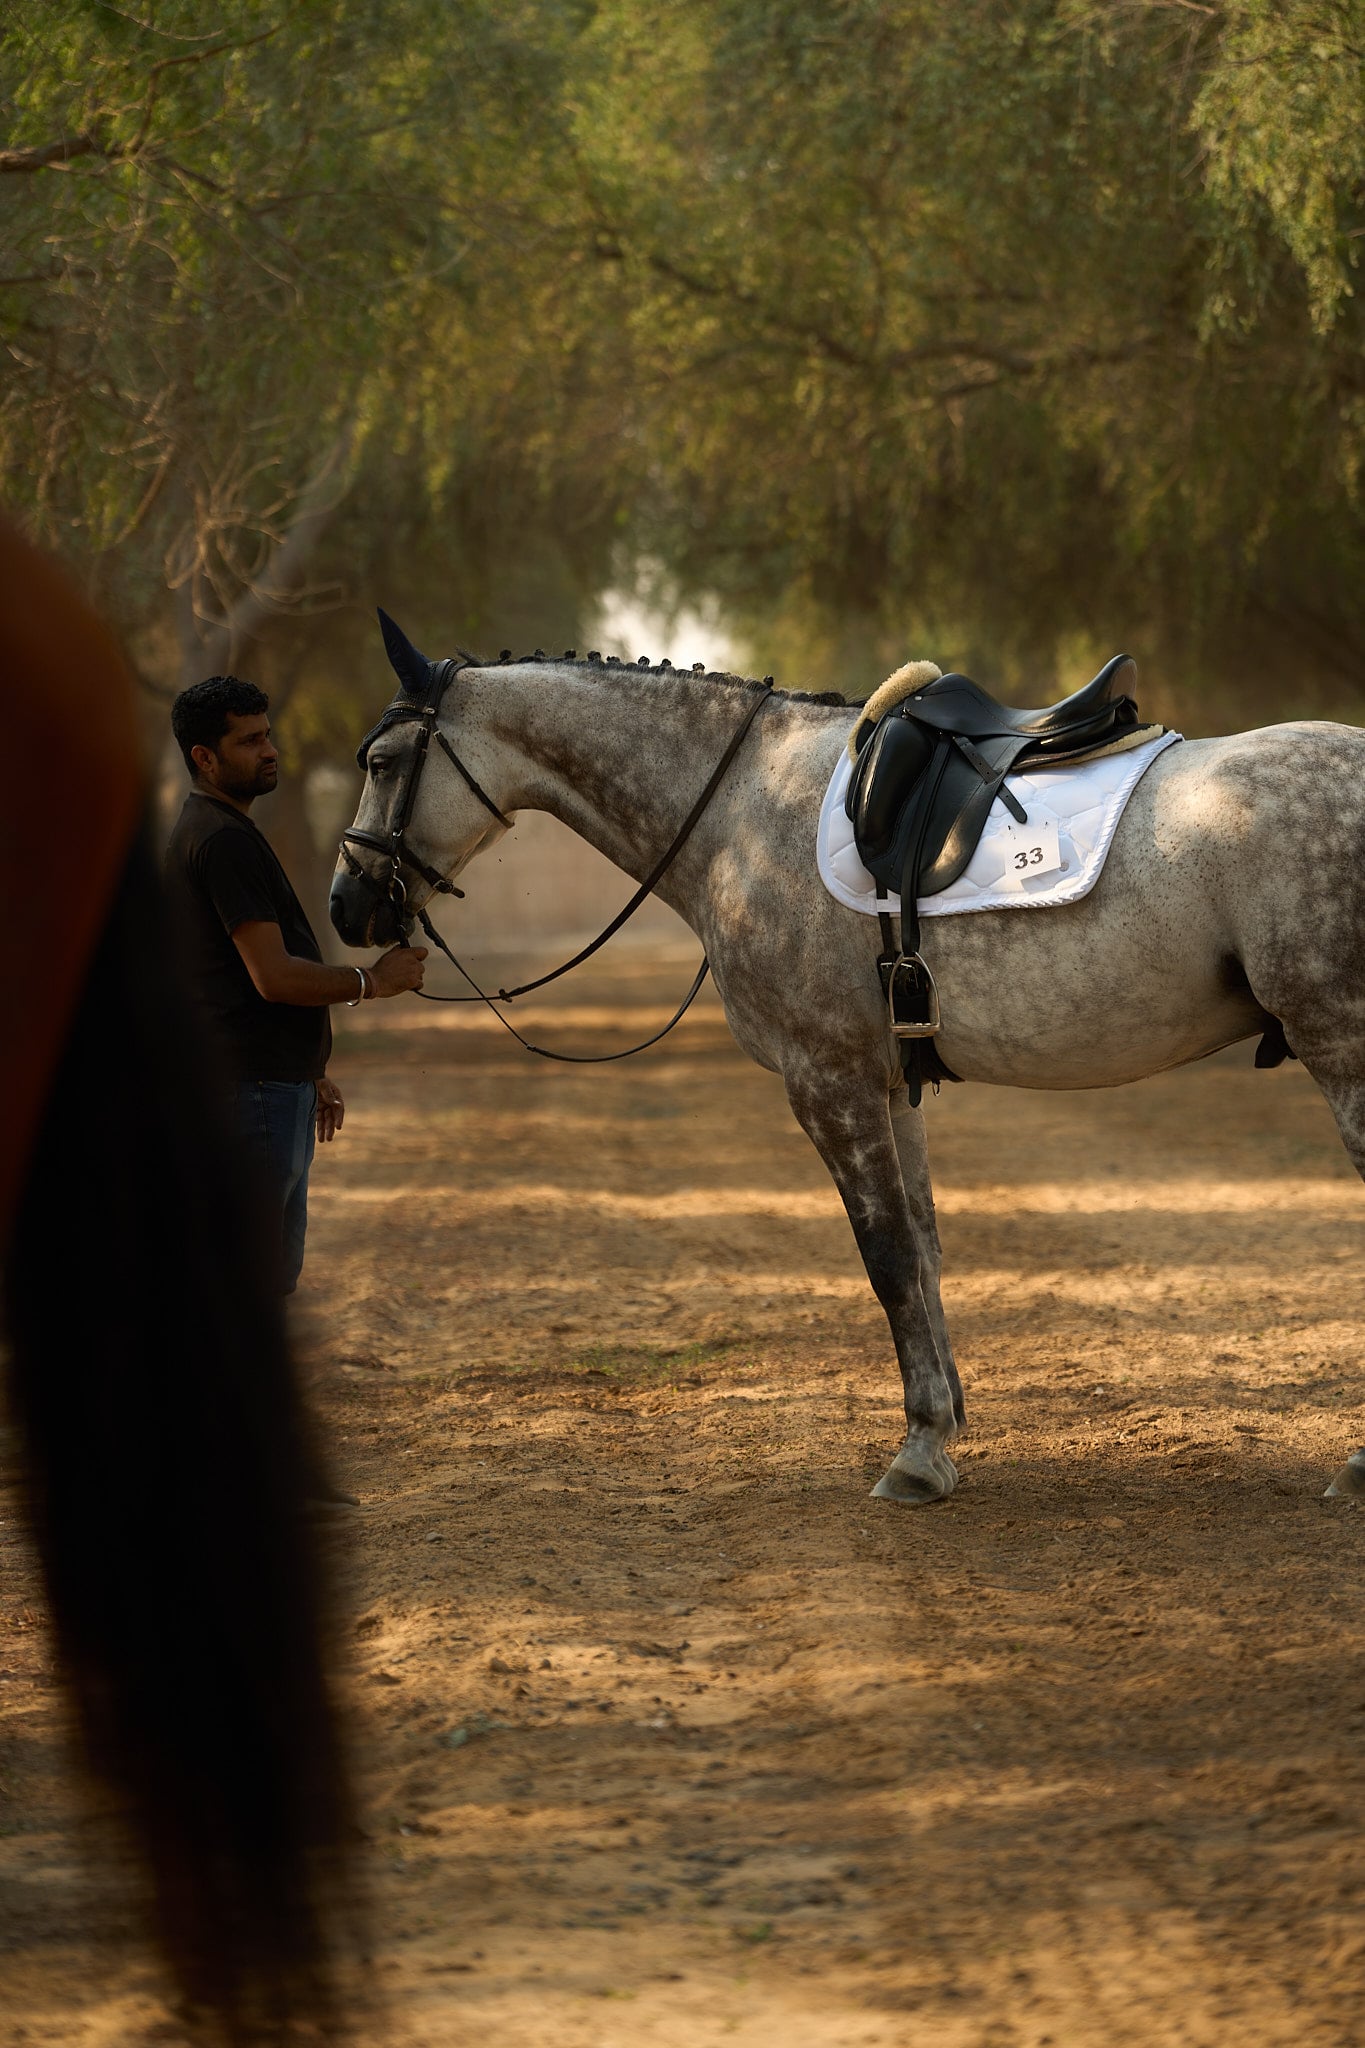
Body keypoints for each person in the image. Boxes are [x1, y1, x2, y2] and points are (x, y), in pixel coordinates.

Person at [165, 674, 427, 1293]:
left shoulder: (222, 830)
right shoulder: (222, 841)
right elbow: (272, 976)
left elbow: (221, 980)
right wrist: (373, 981)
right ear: (204, 757)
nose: (270, 751)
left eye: (269, 736)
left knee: (267, 1276)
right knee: (247, 1281)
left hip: (268, 1086)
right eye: (249, 741)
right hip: (250, 1095)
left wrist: (308, 1068)